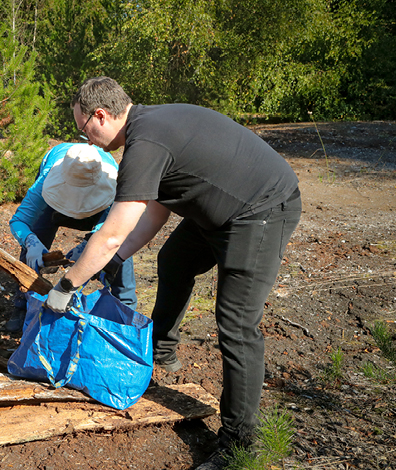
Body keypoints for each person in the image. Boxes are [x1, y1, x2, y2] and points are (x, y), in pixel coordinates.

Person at [46, 77, 301, 469]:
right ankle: (161, 352)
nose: (88, 141)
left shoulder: (144, 144)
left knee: (236, 324)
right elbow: (153, 214)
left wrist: (68, 284)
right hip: (221, 210)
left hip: (261, 210)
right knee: (174, 261)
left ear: (100, 115)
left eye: (84, 131)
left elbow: (113, 234)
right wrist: (111, 261)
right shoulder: (147, 130)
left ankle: (238, 444)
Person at [6, 142, 137, 332]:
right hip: (53, 200)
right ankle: (22, 303)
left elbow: (113, 231)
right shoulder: (46, 180)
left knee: (117, 247)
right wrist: (31, 242)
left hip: (103, 203)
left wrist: (88, 246)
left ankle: (123, 313)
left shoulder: (115, 183)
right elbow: (19, 221)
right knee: (35, 239)